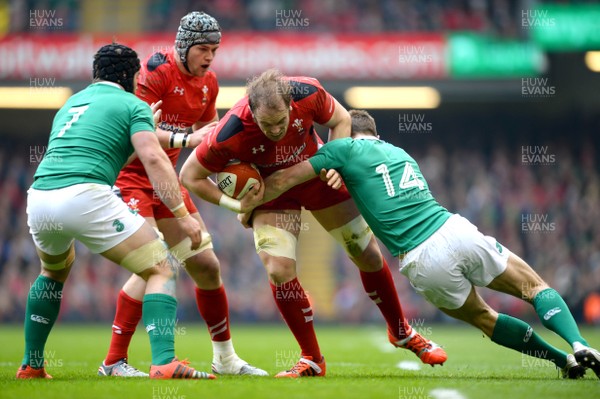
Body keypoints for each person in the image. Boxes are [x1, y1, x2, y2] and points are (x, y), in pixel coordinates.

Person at [250, 109, 600, 379]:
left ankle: (562, 361)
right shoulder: (401, 153)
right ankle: (580, 344)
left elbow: (285, 178)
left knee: (485, 318)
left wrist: (248, 204)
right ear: (376, 134)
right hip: (454, 229)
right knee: (533, 286)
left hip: (421, 259)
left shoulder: (341, 149)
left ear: (342, 132)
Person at [179, 69, 448, 378]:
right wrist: (238, 205)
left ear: (291, 106)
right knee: (278, 271)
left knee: (367, 252)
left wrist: (335, 162)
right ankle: (312, 359)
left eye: (282, 121)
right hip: (271, 192)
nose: (277, 130)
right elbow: (189, 176)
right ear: (251, 112)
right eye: (267, 125)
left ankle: (401, 331)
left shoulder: (307, 92)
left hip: (313, 175)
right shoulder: (229, 132)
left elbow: (341, 119)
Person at [17, 43, 215, 380]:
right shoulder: (132, 104)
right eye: (138, 75)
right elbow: (152, 159)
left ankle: (32, 365)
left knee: (53, 272)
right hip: (84, 196)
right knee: (162, 267)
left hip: (39, 198)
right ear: (130, 75)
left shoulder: (70, 104)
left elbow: (107, 158)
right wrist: (182, 214)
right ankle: (165, 362)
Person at [98, 11, 267, 377]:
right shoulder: (154, 73)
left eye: (215, 50)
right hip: (131, 177)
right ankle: (114, 361)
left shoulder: (210, 83)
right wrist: (184, 139)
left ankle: (225, 358)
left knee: (207, 267)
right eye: (203, 49)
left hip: (166, 180)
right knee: (152, 263)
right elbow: (136, 131)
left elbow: (207, 133)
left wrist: (228, 161)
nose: (209, 57)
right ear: (184, 45)